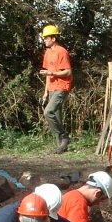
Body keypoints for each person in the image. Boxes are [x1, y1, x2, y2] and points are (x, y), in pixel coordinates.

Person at [40, 24, 73, 154]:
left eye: (46, 38)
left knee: (48, 112)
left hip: (62, 87)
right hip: (52, 88)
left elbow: (68, 72)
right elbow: (48, 73)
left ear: (53, 38)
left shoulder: (62, 52)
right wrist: (45, 92)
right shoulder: (48, 53)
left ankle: (64, 137)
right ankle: (61, 147)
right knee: (57, 117)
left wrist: (52, 74)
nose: (44, 40)